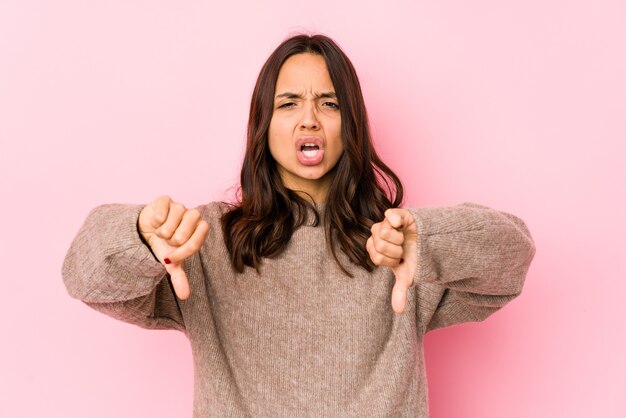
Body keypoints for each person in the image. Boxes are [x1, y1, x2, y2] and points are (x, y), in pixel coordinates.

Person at [63, 34, 535, 417]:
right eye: (289, 103)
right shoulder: (206, 241)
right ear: (263, 125)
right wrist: (142, 239)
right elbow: (83, 277)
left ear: (351, 124)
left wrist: (429, 243)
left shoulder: (396, 244)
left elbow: (514, 254)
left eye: (329, 104)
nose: (309, 119)